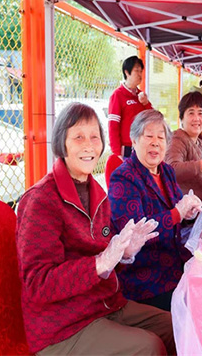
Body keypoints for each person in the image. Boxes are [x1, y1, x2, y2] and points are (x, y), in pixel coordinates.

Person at [16, 103, 175, 355]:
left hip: (104, 305)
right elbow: (38, 284)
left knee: (176, 326)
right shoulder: (41, 200)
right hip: (63, 327)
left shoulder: (97, 192)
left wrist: (123, 254)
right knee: (149, 346)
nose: (89, 145)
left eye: (94, 137)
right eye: (78, 137)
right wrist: (99, 263)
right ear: (62, 143)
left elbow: (106, 257)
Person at [109, 110, 202, 312]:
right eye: (148, 136)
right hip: (146, 278)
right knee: (194, 309)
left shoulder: (166, 170)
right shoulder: (123, 178)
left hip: (175, 264)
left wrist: (188, 213)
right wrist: (177, 213)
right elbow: (135, 232)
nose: (155, 143)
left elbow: (177, 209)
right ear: (134, 140)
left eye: (160, 137)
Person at [165, 92, 202, 203]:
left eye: (200, 113)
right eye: (191, 113)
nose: (196, 118)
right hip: (187, 209)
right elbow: (171, 169)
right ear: (182, 118)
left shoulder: (201, 143)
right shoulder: (177, 139)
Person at [108, 56, 152, 159]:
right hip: (127, 149)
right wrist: (117, 153)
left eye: (141, 71)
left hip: (142, 147)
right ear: (127, 72)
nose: (140, 74)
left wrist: (146, 103)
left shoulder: (141, 96)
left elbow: (152, 118)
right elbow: (113, 126)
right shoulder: (118, 95)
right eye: (136, 70)